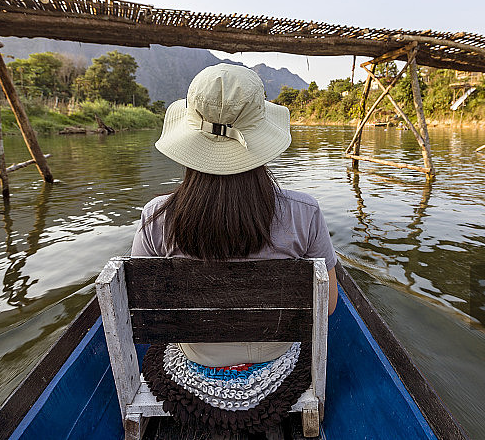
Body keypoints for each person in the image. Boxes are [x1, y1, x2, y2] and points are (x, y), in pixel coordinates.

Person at [131, 63, 338, 369]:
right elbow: (328, 305)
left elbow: (143, 303)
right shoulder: (304, 212)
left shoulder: (156, 216)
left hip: (194, 358)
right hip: (278, 358)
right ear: (262, 137)